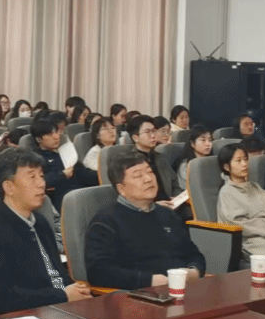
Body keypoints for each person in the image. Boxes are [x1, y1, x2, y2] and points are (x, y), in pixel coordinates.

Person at [0, 149, 92, 312]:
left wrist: (76, 290)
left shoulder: (40, 221)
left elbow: (57, 273)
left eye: (41, 176)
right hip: (33, 315)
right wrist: (63, 296)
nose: (41, 183)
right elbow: (4, 299)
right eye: (32, 177)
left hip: (63, 307)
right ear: (9, 187)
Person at [84, 149, 205, 290]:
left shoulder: (168, 215)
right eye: (138, 176)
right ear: (121, 189)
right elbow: (98, 272)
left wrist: (193, 271)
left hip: (183, 288)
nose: (148, 179)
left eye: (150, 172)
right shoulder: (106, 222)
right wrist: (149, 280)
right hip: (140, 295)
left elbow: (193, 253)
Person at [31, 117, 77, 210]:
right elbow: (40, 181)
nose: (56, 137)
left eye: (56, 132)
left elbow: (84, 173)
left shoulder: (65, 152)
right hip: (58, 198)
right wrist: (63, 174)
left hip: (77, 193)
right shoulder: (35, 158)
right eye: (50, 134)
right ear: (39, 139)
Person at [128, 115, 174, 200]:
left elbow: (174, 182)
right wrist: (155, 204)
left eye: (154, 131)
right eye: (147, 132)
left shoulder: (161, 157)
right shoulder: (129, 162)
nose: (153, 136)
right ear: (135, 138)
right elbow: (132, 194)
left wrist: (177, 198)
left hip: (170, 202)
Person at [172, 126, 213, 192]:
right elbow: (187, 190)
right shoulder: (186, 166)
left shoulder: (213, 162)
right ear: (192, 144)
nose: (208, 144)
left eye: (210, 140)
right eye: (203, 140)